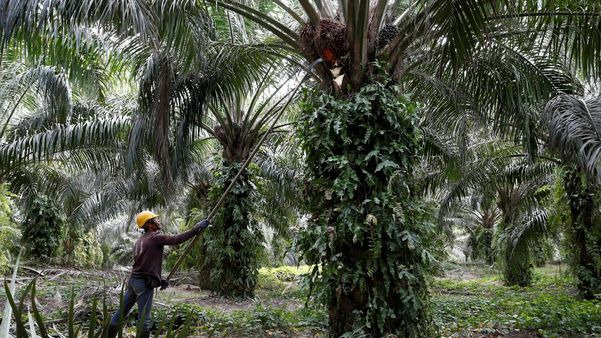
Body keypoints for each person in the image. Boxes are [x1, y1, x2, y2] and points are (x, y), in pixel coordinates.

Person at [107, 211, 210, 338]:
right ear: (149, 224)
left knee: (120, 313)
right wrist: (196, 229)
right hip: (144, 284)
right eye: (155, 219)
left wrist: (159, 280)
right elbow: (177, 239)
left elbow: (144, 265)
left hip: (133, 281)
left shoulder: (140, 240)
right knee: (144, 321)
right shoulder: (155, 237)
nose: (159, 221)